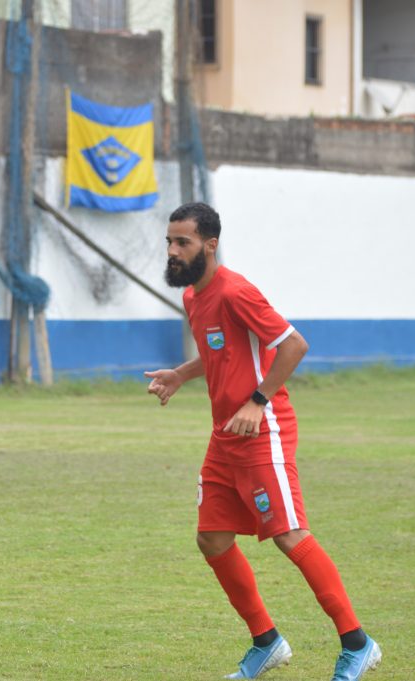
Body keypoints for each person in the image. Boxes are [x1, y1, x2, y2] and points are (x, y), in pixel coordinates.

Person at [144, 203, 381, 681]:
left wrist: (257, 401)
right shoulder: (194, 297)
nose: (172, 251)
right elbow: (221, 355)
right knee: (211, 538)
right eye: (169, 241)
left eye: (182, 242)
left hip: (261, 430)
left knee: (289, 534)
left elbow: (294, 344)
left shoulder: (235, 291)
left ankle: (358, 643)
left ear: (209, 245)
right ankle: (267, 642)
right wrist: (182, 374)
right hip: (225, 436)